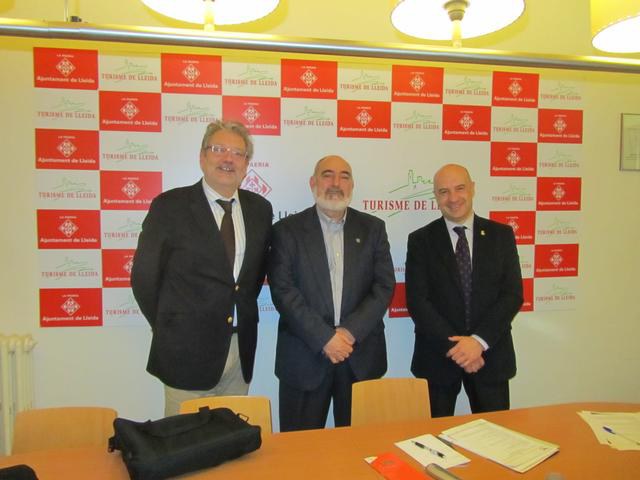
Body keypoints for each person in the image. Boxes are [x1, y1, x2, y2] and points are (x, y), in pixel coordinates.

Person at [131, 120, 273, 416]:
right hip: (184, 351)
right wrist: (170, 326)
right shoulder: (169, 206)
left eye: (238, 153)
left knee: (232, 437)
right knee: (184, 438)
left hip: (239, 350)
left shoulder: (260, 209)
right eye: (219, 149)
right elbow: (144, 278)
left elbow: (253, 276)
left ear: (246, 164)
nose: (228, 159)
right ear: (202, 156)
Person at [268, 155, 395, 431]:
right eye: (327, 175)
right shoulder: (286, 231)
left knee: (361, 449)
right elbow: (283, 291)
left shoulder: (373, 229)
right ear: (313, 182)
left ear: (352, 185)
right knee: (300, 450)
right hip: (304, 359)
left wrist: (348, 333)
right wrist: (325, 337)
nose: (336, 183)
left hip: (360, 358)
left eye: (344, 176)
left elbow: (384, 286)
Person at [406, 163, 523, 417]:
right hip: (438, 358)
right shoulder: (420, 241)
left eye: (459, 188)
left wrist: (478, 343)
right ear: (436, 196)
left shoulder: (501, 236)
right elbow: (418, 301)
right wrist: (460, 350)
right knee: (433, 438)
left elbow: (512, 295)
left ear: (472, 188)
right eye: (444, 191)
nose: (453, 198)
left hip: (490, 356)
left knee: (495, 436)